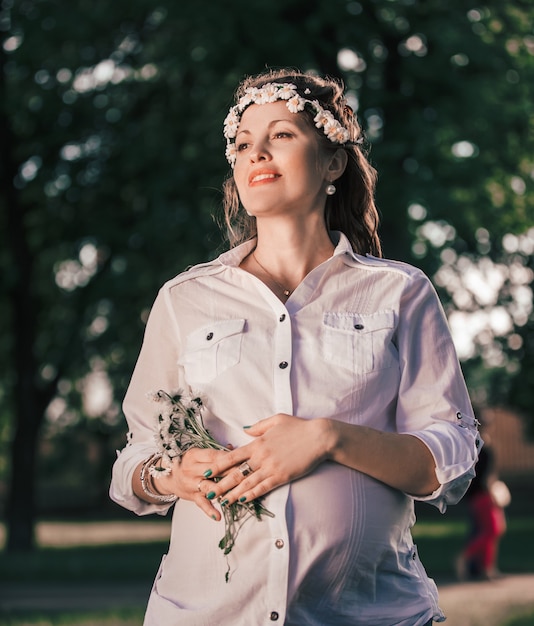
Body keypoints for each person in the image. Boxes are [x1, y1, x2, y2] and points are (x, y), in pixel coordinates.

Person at [110, 68, 481, 625]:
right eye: (242, 143)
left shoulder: (401, 291)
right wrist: (171, 474)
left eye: (281, 135)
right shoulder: (184, 299)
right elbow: (133, 462)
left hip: (370, 614)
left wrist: (328, 439)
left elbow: (449, 460)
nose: (256, 152)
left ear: (333, 163)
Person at [456, 430, 509, 581]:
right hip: (484, 496)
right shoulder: (485, 451)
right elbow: (487, 476)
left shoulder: (469, 450)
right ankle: (466, 558)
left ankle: (486, 568)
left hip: (474, 496)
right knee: (491, 531)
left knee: (487, 532)